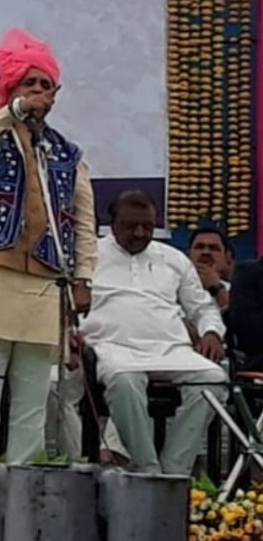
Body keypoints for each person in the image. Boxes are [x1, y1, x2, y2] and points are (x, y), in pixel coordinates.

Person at [0, 29, 97, 464]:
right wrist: (13, 112)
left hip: (44, 284)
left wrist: (84, 278)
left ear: (55, 95)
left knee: (33, 404)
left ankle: (23, 489)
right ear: (10, 88)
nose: (37, 91)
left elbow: (84, 221)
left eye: (45, 84)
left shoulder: (67, 153)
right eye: (28, 83)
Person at [80, 191, 227, 474]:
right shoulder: (90, 255)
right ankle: (147, 471)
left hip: (171, 350)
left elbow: (202, 307)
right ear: (112, 224)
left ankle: (174, 471)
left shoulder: (173, 258)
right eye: (131, 226)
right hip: (113, 348)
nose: (140, 233)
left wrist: (211, 333)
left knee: (213, 379)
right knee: (124, 381)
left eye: (147, 226)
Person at [186, 227, 233, 310]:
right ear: (188, 253)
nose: (206, 252)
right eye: (199, 247)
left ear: (226, 257)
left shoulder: (238, 292)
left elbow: (239, 316)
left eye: (214, 248)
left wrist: (217, 288)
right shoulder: (174, 287)